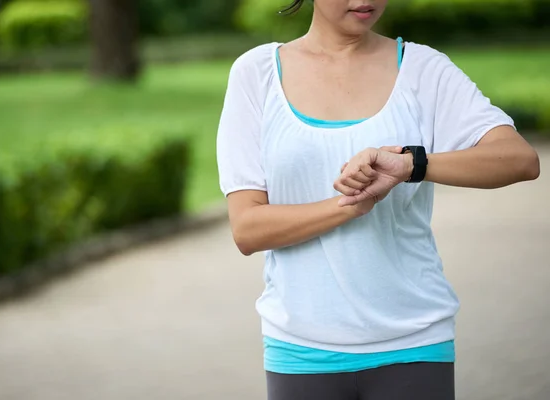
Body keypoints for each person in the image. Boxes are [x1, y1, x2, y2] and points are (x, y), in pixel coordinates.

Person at [216, 1, 541, 399]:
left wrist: (410, 165)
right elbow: (248, 228)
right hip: (300, 349)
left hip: (415, 344)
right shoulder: (257, 74)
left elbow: (520, 160)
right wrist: (352, 205)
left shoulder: (423, 69)